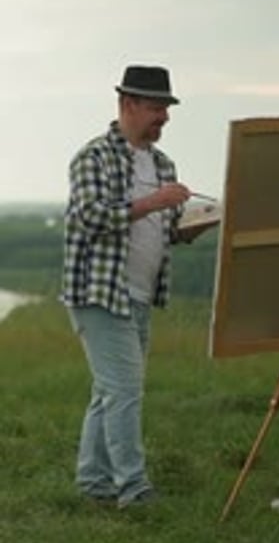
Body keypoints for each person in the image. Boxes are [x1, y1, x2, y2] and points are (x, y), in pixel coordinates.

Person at [62, 64, 197, 508]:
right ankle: (133, 490)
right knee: (123, 391)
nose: (165, 117)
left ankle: (94, 482)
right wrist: (155, 201)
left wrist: (189, 227)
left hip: (139, 295)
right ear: (128, 104)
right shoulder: (93, 157)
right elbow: (92, 217)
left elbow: (160, 228)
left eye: (167, 108)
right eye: (157, 108)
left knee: (108, 392)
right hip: (100, 294)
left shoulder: (162, 164)